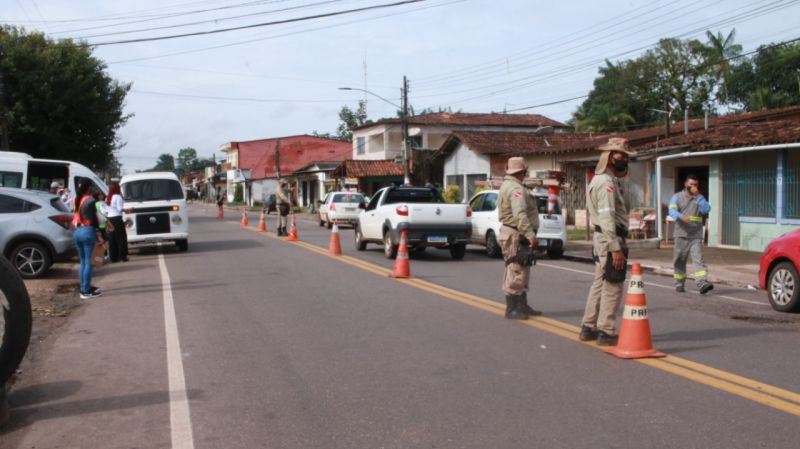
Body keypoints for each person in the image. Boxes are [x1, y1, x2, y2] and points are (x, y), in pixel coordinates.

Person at [579, 137, 634, 346]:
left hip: (603, 237)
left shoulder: (607, 180)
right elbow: (607, 217)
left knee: (600, 282)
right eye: (622, 156)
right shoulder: (606, 184)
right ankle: (606, 330)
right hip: (610, 237)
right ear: (610, 157)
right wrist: (615, 247)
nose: (625, 160)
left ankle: (589, 326)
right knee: (613, 284)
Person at [497, 157, 540, 320]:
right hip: (516, 232)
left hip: (515, 232)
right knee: (515, 269)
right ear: (522, 171)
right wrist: (530, 235)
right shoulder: (516, 188)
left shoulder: (509, 185)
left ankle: (522, 305)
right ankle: (512, 308)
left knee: (522, 267)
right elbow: (520, 214)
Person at [669, 174, 713, 294]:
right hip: (681, 234)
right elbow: (672, 211)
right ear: (685, 184)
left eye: (695, 185)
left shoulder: (699, 198)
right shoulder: (677, 197)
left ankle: (702, 283)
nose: (693, 186)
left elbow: (706, 210)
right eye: (691, 184)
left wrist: (698, 196)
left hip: (696, 235)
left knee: (698, 259)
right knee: (679, 260)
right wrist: (681, 216)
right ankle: (679, 283)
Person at [72, 180, 103, 299]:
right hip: (87, 231)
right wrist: (99, 234)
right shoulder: (90, 200)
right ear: (89, 187)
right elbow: (94, 219)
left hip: (77, 231)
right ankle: (85, 291)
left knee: (83, 262)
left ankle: (84, 287)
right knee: (89, 263)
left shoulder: (76, 199)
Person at [106, 182, 129, 263]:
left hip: (109, 219)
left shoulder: (108, 197)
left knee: (112, 238)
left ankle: (113, 257)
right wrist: (127, 210)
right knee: (120, 237)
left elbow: (106, 209)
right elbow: (120, 208)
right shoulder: (118, 196)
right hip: (117, 218)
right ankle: (122, 256)